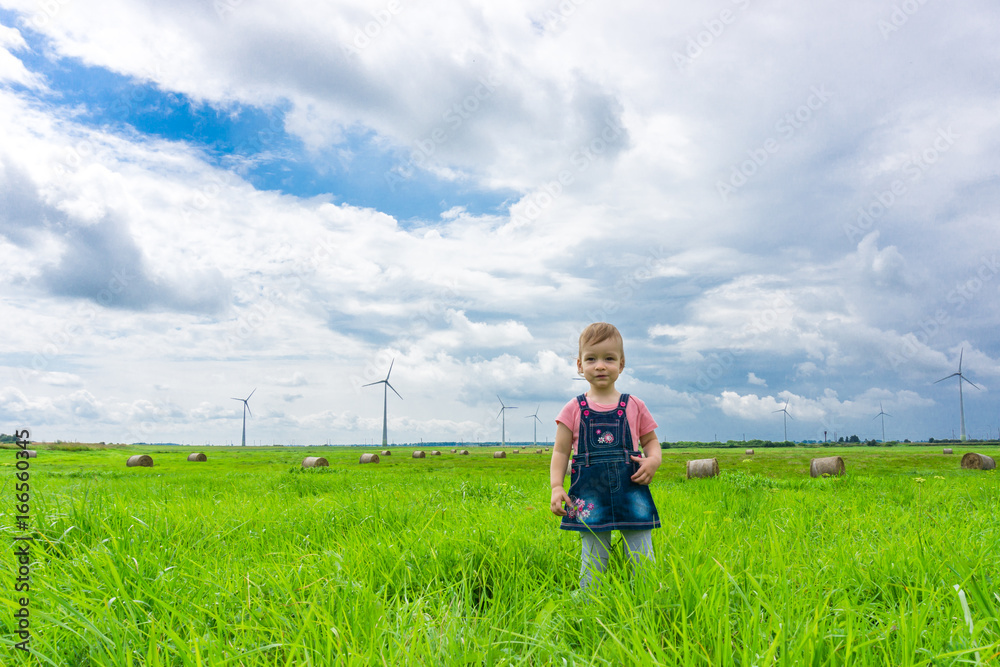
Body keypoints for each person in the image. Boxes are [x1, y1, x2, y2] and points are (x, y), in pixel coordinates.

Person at [549, 322, 662, 590]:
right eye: (591, 359)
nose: (600, 365)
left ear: (621, 364)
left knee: (641, 548)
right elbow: (561, 451)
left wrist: (654, 460)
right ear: (579, 365)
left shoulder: (635, 405)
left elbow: (651, 442)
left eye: (609, 359)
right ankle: (590, 601)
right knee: (592, 551)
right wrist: (556, 487)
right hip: (588, 491)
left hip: (631, 487)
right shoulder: (573, 408)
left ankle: (647, 597)